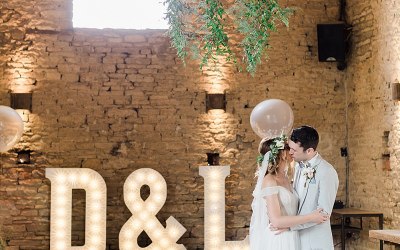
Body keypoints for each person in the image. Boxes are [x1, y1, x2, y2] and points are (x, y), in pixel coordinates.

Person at [249, 134, 329, 250]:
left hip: (292, 234)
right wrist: (311, 217)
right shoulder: (270, 181)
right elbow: (276, 221)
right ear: (281, 153)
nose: (292, 151)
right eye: (288, 148)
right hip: (279, 240)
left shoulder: (287, 177)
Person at [286, 125, 339, 250]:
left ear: (309, 150)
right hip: (295, 239)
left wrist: (290, 225)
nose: (290, 152)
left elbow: (323, 214)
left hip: (315, 241)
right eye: (290, 148)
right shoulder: (298, 166)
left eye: (294, 150)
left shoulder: (327, 172)